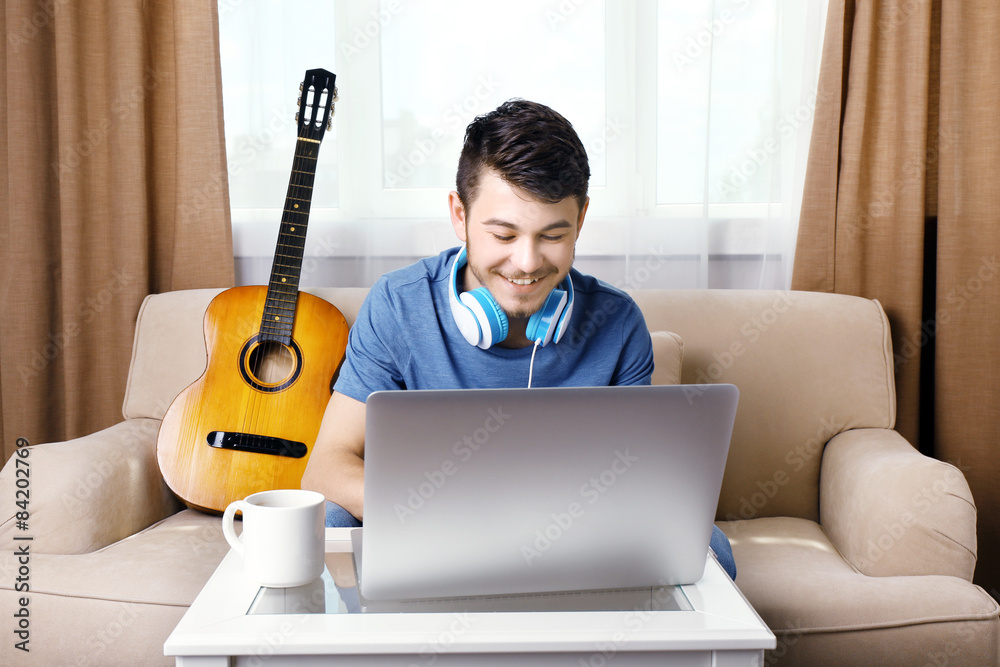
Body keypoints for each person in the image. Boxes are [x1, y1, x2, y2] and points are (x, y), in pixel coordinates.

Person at [300, 99, 736, 580]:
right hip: (429, 528)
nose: (527, 263)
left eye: (552, 235)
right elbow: (325, 467)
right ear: (459, 215)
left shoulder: (617, 322)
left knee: (710, 544)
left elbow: (641, 481)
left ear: (581, 220)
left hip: (572, 535)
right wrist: (452, 517)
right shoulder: (398, 306)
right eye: (504, 235)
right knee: (329, 520)